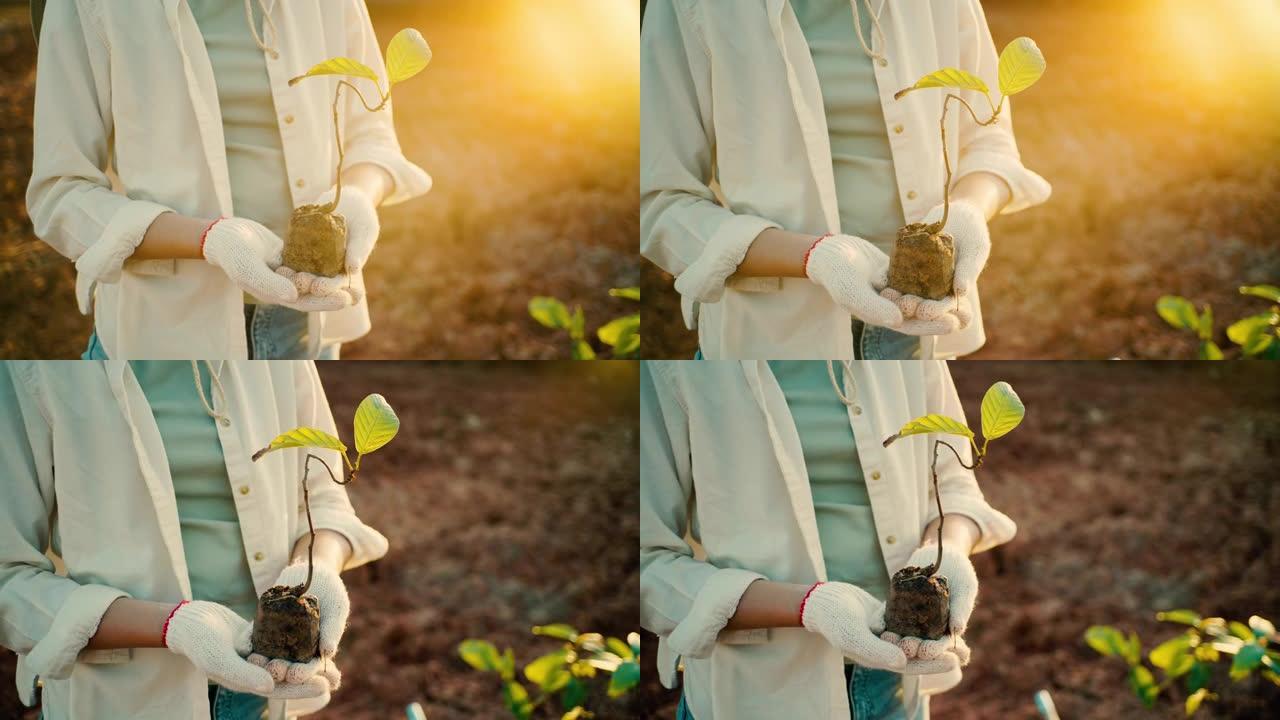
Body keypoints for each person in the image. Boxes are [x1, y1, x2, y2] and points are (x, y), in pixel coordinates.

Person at [640, 0, 1051, 359]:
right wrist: (816, 257)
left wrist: (968, 211)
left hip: (916, 330)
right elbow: (661, 203)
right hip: (776, 340)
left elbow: (988, 139)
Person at [26, 0, 431, 359]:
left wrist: (358, 196)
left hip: (306, 330)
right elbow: (60, 193)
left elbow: (371, 136)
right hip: (166, 334)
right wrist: (210, 240)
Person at [0, 361, 389, 719]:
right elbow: (8, 579)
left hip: (262, 688)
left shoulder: (271, 354)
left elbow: (323, 501)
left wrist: (318, 568)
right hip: (125, 701)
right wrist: (174, 625)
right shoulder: (37, 372)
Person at [640, 360, 1017, 719]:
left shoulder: (894, 340)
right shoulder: (681, 368)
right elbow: (648, 568)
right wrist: (811, 606)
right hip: (760, 694)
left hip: (896, 681)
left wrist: (949, 550)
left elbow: (953, 485)